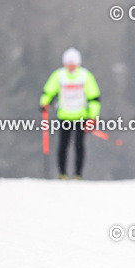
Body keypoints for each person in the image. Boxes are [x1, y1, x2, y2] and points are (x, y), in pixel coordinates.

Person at [40, 48, 101, 179]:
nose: (71, 66)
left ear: (78, 63)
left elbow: (94, 98)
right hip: (65, 116)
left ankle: (78, 174)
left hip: (81, 117)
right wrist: (44, 103)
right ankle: (62, 173)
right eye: (68, 63)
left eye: (73, 63)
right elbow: (48, 92)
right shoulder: (59, 75)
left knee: (79, 146)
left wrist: (93, 117)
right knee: (63, 146)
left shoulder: (85, 76)